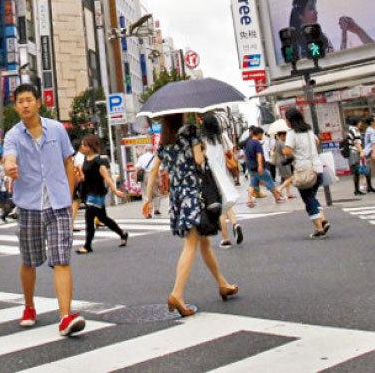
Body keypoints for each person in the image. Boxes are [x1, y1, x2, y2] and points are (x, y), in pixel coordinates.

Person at [1, 83, 86, 337]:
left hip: (58, 203)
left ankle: (65, 317)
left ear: (38, 102)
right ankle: (28, 306)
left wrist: (69, 199)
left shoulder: (57, 129)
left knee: (61, 259)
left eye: (29, 99)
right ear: (16, 107)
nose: (25, 104)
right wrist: (10, 167)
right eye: (20, 101)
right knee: (29, 261)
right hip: (29, 205)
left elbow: (68, 163)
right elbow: (9, 157)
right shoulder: (13, 135)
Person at [141, 114, 239, 317]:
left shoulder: (165, 142)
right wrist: (201, 147)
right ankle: (176, 294)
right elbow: (198, 160)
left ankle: (223, 284)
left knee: (203, 243)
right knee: (191, 244)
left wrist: (147, 200)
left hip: (177, 197)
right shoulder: (190, 133)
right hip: (193, 193)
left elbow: (153, 172)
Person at [75, 135, 128, 254]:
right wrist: (80, 175)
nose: (82, 147)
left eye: (84, 145)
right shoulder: (85, 159)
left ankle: (87, 246)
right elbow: (85, 177)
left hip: (96, 193)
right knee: (103, 218)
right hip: (88, 192)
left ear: (90, 146)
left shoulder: (99, 161)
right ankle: (122, 234)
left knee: (88, 218)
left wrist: (115, 191)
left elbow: (107, 178)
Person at [283, 107, 330, 239]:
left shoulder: (292, 133)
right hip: (317, 168)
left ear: (290, 120)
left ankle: (319, 229)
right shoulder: (309, 131)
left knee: (308, 199)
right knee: (312, 197)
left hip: (304, 171)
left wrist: (289, 152)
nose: (285, 121)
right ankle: (323, 220)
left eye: (286, 119)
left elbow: (287, 151)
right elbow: (317, 141)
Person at [243, 126, 278, 206]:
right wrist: (260, 166)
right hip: (257, 167)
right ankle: (277, 197)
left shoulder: (248, 142)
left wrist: (248, 165)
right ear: (258, 134)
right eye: (262, 134)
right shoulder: (257, 143)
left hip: (251, 167)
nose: (262, 136)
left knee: (252, 184)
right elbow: (259, 155)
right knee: (268, 180)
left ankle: (249, 200)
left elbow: (246, 155)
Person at [344, 118, 367, 197]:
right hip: (353, 152)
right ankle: (357, 190)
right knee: (356, 172)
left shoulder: (349, 129)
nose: (361, 124)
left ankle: (357, 190)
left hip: (351, 152)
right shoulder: (355, 130)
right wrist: (361, 151)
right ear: (358, 122)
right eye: (360, 122)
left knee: (355, 172)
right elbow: (357, 143)